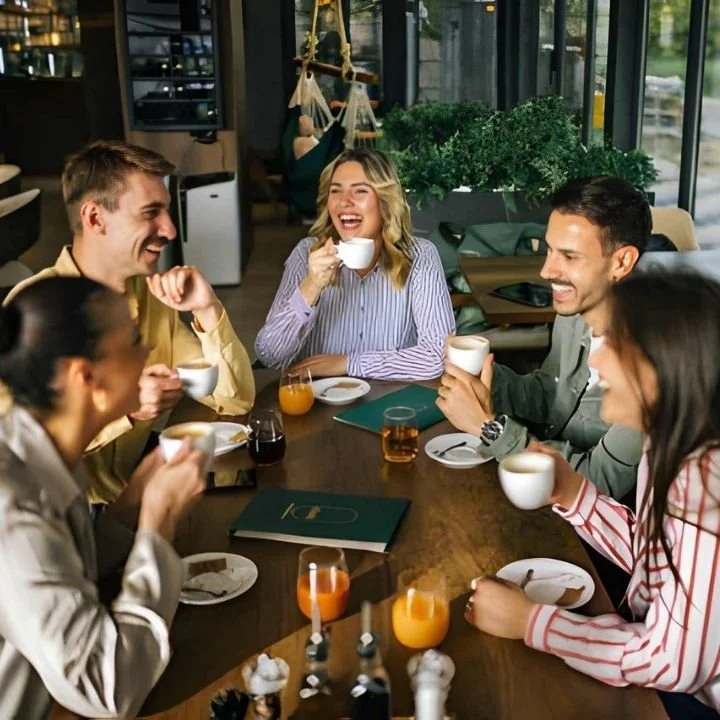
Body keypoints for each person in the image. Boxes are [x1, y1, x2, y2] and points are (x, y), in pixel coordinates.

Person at [466, 270, 720, 718]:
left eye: (612, 346)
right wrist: (572, 492)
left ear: (661, 367)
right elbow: (657, 560)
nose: (596, 362)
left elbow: (671, 662)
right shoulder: (669, 443)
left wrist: (532, 623)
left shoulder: (705, 486)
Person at [0, 276, 206, 718]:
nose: (147, 352)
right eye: (133, 340)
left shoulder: (40, 442)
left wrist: (131, 505)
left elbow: (64, 567)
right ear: (87, 377)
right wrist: (158, 525)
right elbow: (108, 692)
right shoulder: (10, 510)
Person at [5, 140, 255, 504]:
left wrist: (207, 309)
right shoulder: (34, 313)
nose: (169, 230)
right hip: (63, 520)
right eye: (150, 212)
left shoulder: (152, 296)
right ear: (95, 218)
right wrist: (127, 410)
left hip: (134, 499)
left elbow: (234, 401)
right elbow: (18, 456)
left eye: (166, 212)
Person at [437, 176, 651, 499]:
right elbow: (550, 396)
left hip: (604, 536)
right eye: (549, 250)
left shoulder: (655, 361)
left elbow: (599, 485)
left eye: (569, 256)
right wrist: (485, 377)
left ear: (621, 262)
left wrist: (489, 426)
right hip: (543, 499)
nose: (546, 271)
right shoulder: (575, 313)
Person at [255, 148, 454, 380]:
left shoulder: (420, 256)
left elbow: (438, 356)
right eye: (335, 191)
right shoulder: (306, 254)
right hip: (316, 401)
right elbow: (269, 355)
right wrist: (311, 286)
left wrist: (348, 363)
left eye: (360, 191)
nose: (344, 202)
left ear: (385, 201)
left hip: (389, 405)